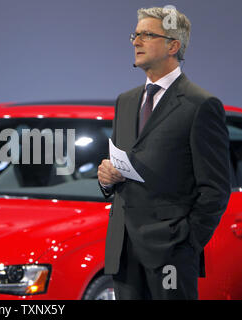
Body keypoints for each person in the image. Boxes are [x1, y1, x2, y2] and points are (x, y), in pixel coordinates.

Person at [97, 7, 231, 300]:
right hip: (123, 249)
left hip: (171, 254)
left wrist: (186, 243)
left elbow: (216, 189)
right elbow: (123, 167)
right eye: (136, 34)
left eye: (147, 35)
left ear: (173, 46)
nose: (136, 41)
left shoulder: (200, 105)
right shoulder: (126, 101)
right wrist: (105, 178)